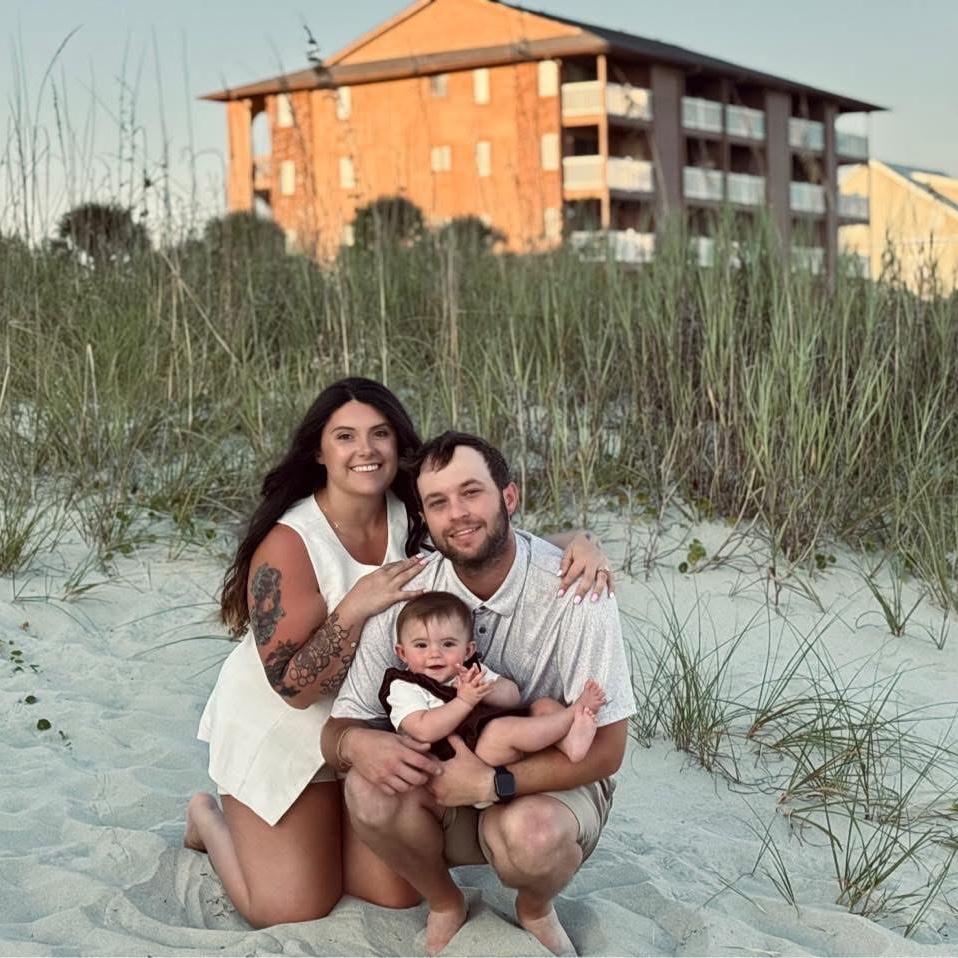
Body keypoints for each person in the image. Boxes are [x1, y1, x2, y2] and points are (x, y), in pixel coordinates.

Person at [184, 378, 614, 928]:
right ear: (319, 450)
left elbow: (490, 538)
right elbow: (292, 689)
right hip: (286, 726)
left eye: (380, 434)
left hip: (384, 719)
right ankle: (208, 818)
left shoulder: (412, 512)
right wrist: (355, 607)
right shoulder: (291, 541)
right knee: (289, 906)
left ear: (398, 444)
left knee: (392, 893)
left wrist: (580, 540)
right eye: (345, 436)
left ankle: (335, 827)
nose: (365, 450)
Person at [322, 432, 635, 957]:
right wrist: (356, 747)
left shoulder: (577, 589)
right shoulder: (410, 596)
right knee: (367, 790)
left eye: (472, 493)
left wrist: (493, 781)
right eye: (439, 502)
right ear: (425, 517)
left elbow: (608, 751)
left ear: (508, 499)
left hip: (545, 783)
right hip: (442, 778)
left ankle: (535, 907)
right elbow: (338, 729)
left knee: (533, 836)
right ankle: (446, 902)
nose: (458, 514)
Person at [382, 591, 608, 781]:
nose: (434, 654)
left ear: (468, 651)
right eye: (421, 645)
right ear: (402, 653)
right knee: (498, 731)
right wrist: (464, 701)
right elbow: (424, 730)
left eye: (448, 644)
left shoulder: (470, 673)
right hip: (465, 761)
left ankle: (570, 745)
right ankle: (573, 713)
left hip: (511, 740)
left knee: (542, 706)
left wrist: (483, 690)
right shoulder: (404, 687)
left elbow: (512, 697)